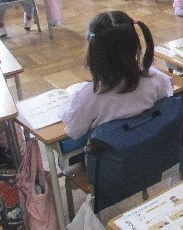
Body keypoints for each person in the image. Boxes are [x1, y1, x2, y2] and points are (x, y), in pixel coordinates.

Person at [58, 11, 172, 140]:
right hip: (151, 147)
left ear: (94, 53)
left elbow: (73, 131)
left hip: (113, 152)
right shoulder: (156, 80)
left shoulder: (90, 97)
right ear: (135, 45)